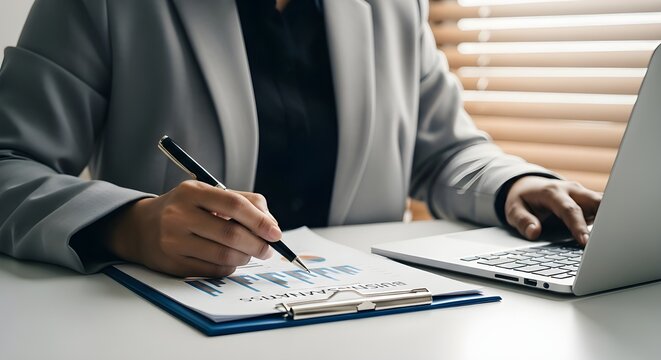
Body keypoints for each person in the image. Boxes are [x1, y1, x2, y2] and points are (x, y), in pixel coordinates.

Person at [0, 0, 601, 278]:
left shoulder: (395, 7)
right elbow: (8, 161)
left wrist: (512, 184)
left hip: (370, 323)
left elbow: (443, 148)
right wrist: (126, 224)